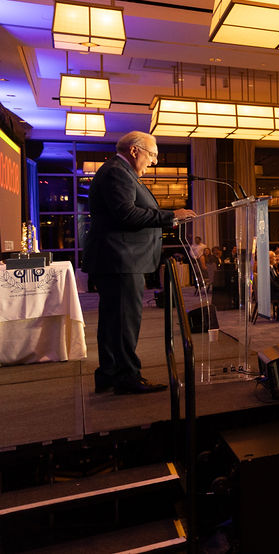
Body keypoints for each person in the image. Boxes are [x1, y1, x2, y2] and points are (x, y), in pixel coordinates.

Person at [86, 131, 194, 394]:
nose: (154, 161)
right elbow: (126, 214)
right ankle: (127, 377)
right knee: (124, 321)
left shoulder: (119, 171)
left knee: (113, 321)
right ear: (135, 150)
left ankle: (109, 374)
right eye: (152, 154)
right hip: (122, 259)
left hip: (119, 259)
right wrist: (171, 215)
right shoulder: (117, 172)